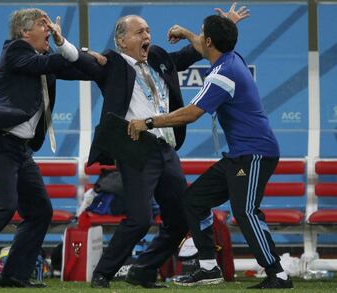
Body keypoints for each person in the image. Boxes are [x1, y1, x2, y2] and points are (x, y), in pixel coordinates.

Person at [72, 4, 249, 289]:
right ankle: (103, 274)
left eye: (148, 31)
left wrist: (222, 23)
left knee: (180, 218)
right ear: (121, 41)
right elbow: (85, 64)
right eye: (139, 31)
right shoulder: (112, 63)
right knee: (140, 219)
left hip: (166, 149)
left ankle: (143, 270)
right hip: (134, 148)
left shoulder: (158, 57)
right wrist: (77, 51)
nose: (147, 36)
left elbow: (194, 52)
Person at [128, 15, 293, 289]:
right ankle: (207, 268)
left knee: (246, 211)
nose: (200, 39)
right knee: (193, 200)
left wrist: (148, 122)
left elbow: (191, 114)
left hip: (255, 154)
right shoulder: (232, 58)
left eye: (202, 35)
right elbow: (205, 45)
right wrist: (185, 32)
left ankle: (278, 273)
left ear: (209, 41)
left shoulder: (222, 75)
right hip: (239, 154)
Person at [0, 8, 94, 288]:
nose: (49, 28)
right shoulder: (15, 50)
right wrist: (65, 48)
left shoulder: (42, 60)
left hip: (19, 149)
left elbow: (76, 68)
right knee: (5, 204)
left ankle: (14, 274)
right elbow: (51, 64)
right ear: (26, 32)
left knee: (40, 211)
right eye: (43, 24)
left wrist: (93, 59)